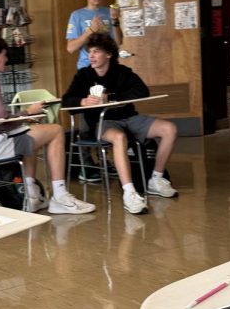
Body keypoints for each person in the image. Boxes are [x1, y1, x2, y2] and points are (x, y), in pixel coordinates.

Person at [0, 35, 95, 215]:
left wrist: (24, 119)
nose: (6, 59)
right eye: (4, 55)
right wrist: (28, 113)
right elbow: (1, 120)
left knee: (30, 134)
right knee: (56, 131)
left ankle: (31, 196)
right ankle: (60, 196)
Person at [62, 33, 179, 215]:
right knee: (119, 138)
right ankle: (129, 192)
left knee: (169, 129)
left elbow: (142, 90)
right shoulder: (83, 75)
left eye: (96, 52)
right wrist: (82, 102)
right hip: (103, 122)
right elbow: (66, 101)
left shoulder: (123, 72)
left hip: (130, 118)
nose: (91, 56)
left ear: (108, 54)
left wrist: (112, 97)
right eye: (89, 52)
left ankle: (156, 179)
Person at [65, 0, 121, 70]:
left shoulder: (109, 11)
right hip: (86, 67)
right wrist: (90, 30)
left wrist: (115, 20)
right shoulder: (76, 15)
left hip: (109, 67)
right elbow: (70, 48)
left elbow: (118, 42)